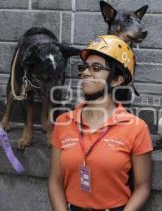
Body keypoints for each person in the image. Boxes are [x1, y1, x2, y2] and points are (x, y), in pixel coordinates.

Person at [48, 35, 153, 211]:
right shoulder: (63, 122)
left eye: (96, 68)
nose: (86, 73)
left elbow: (142, 186)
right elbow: (55, 180)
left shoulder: (136, 128)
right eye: (84, 67)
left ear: (116, 79)